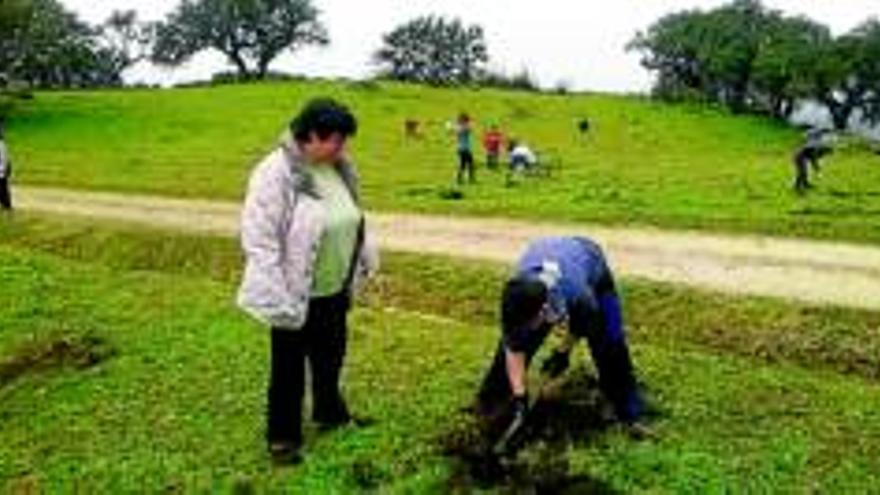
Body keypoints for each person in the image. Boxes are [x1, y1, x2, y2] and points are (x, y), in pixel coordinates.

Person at [237, 98, 379, 465]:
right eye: (336, 140)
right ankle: (282, 438)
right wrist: (276, 294)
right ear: (311, 136)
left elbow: (354, 216)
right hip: (293, 291)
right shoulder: (275, 173)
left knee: (331, 355)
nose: (342, 148)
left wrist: (364, 259)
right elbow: (260, 238)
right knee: (287, 367)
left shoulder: (339, 168)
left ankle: (330, 412)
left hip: (334, 286)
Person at [475, 236, 649, 438]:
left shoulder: (578, 294)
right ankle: (492, 403)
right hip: (549, 255)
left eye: (534, 321)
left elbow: (582, 324)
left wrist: (562, 352)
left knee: (610, 342)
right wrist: (520, 396)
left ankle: (628, 412)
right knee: (510, 347)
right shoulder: (515, 296)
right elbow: (514, 346)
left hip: (590, 263)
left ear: (544, 311)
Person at [793, 128, 833, 194]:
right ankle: (796, 186)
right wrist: (816, 168)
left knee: (805, 171)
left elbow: (814, 160)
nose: (826, 155)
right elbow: (813, 160)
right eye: (827, 153)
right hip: (798, 157)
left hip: (802, 157)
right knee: (802, 172)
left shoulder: (818, 148)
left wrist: (816, 167)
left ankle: (805, 184)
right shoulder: (816, 149)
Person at [455, 112, 475, 184]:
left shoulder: (458, 127)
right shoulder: (462, 127)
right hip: (464, 148)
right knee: (469, 164)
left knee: (464, 164)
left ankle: (461, 178)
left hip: (462, 148)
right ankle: (468, 179)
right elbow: (468, 129)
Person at [0, 121, 12, 211]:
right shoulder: (2, 144)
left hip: (1, 172)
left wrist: (5, 169)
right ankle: (6, 205)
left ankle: (7, 206)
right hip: (2, 171)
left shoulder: (2, 145)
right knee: (3, 189)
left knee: (3, 190)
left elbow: (5, 159)